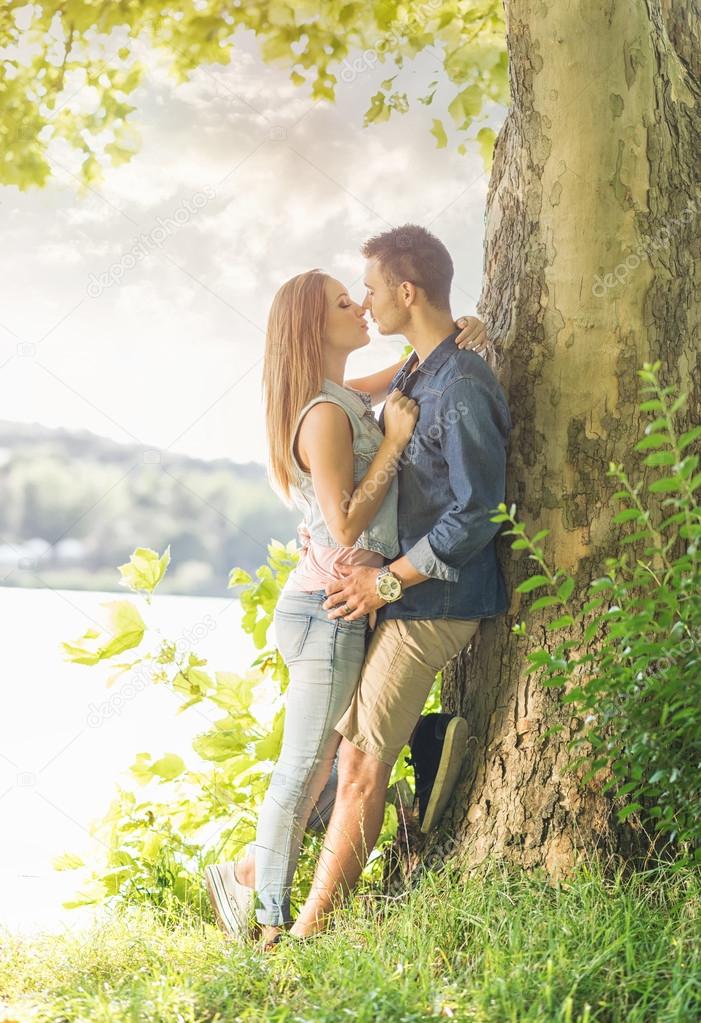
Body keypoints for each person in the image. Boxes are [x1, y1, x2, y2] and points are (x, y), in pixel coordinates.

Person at [204, 264, 486, 949]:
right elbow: (348, 522)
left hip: (344, 605)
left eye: (359, 293)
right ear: (311, 325)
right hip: (326, 610)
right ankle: (267, 919)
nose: (358, 304)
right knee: (305, 765)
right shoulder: (327, 414)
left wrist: (450, 336)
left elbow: (400, 377)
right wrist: (391, 443)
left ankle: (245, 872)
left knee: (330, 761)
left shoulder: (336, 393)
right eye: (341, 300)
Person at [285, 224, 512, 940]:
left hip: (433, 600)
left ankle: (309, 934)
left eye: (374, 290)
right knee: (337, 749)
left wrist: (387, 582)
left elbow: (479, 512)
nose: (367, 302)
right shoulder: (419, 373)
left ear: (405, 292)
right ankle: (267, 881)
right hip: (403, 593)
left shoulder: (464, 385)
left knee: (357, 762)